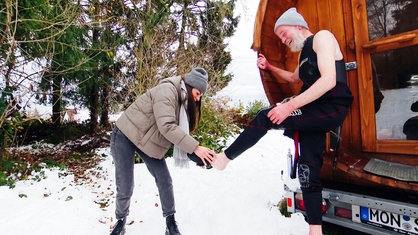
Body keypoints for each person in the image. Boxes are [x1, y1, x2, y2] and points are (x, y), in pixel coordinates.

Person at [213, 8, 353, 235]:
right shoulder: (304, 53)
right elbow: (292, 78)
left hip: (331, 107)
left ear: (298, 26)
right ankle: (315, 229)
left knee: (265, 116)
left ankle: (225, 158)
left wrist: (289, 106)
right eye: (279, 37)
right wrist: (269, 67)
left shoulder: (322, 38)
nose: (283, 39)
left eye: (284, 33)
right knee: (308, 167)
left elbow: (329, 80)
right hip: (313, 111)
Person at [110, 67, 216, 235]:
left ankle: (170, 223)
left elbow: (179, 136)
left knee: (165, 180)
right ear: (189, 86)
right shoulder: (167, 91)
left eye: (200, 96)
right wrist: (196, 147)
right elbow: (167, 127)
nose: (197, 98)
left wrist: (196, 156)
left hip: (148, 141)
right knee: (125, 184)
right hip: (125, 134)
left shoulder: (183, 103)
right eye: (197, 93)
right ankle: (121, 220)